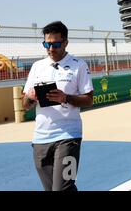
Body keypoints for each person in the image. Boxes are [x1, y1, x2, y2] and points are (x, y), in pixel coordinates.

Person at [22, 21, 93, 191]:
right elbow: (25, 105)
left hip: (69, 137)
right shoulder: (37, 67)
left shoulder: (79, 65)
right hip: (41, 139)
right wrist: (30, 97)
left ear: (66, 42)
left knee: (63, 187)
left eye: (55, 44)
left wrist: (65, 97)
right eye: (47, 44)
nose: (50, 48)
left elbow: (89, 100)